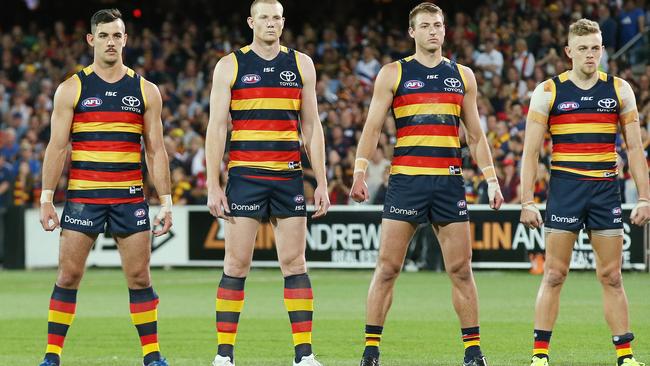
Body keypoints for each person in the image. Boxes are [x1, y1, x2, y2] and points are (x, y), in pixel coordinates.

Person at [349, 3, 503, 366]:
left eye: (438, 25)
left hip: (449, 182)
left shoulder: (462, 75)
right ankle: (371, 351)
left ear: (445, 30)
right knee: (387, 268)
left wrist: (492, 180)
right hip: (406, 181)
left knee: (462, 270)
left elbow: (476, 136)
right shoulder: (393, 73)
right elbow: (372, 128)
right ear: (412, 32)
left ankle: (473, 353)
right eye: (426, 26)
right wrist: (359, 172)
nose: (434, 31)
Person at [37, 9, 172, 366]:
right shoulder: (72, 88)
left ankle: (152, 355)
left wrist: (167, 202)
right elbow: (57, 147)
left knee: (140, 277)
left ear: (125, 40)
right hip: (83, 199)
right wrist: (46, 198)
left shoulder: (145, 90)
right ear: (91, 40)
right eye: (104, 35)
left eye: (117, 35)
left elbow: (156, 150)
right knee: (68, 275)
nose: (111, 42)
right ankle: (52, 356)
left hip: (129, 199)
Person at [205, 1, 330, 365]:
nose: (271, 23)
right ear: (251, 22)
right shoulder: (230, 65)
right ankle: (224, 356)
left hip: (289, 177)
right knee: (236, 264)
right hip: (245, 177)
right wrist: (214, 184)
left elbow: (311, 126)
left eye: (277, 17)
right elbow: (216, 127)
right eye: (264, 17)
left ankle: (304, 356)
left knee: (295, 263)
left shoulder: (301, 64)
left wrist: (321, 181)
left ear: (283, 22)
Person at [520, 19, 650, 366]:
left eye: (595, 48)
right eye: (582, 49)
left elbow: (635, 149)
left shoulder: (620, 90)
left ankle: (625, 356)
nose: (590, 55)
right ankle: (540, 355)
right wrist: (527, 200)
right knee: (554, 273)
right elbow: (530, 152)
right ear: (568, 52)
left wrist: (644, 197)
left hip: (605, 190)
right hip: (565, 189)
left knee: (611, 276)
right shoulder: (548, 91)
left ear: (603, 50)